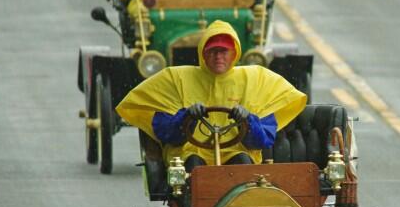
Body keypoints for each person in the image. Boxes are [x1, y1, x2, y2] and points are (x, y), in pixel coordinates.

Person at [116, 20, 306, 171]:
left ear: (234, 53)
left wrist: (248, 120)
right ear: (203, 54)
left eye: (224, 51)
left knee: (243, 163)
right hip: (190, 155)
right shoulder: (175, 79)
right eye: (213, 51)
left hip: (237, 155)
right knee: (194, 165)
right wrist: (186, 116)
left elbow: (262, 141)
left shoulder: (256, 80)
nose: (218, 57)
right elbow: (166, 134)